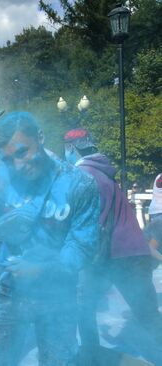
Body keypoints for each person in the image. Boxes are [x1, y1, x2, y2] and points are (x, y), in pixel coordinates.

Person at [0, 105, 99, 365]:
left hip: (58, 296)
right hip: (9, 292)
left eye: (22, 152)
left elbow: (83, 246)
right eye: (7, 159)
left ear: (41, 137)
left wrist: (43, 267)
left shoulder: (78, 183)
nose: (17, 165)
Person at [63, 128, 162, 357]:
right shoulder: (102, 172)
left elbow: (92, 224)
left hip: (109, 255)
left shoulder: (84, 175)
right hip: (131, 254)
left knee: (83, 309)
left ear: (71, 148)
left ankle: (90, 359)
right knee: (147, 314)